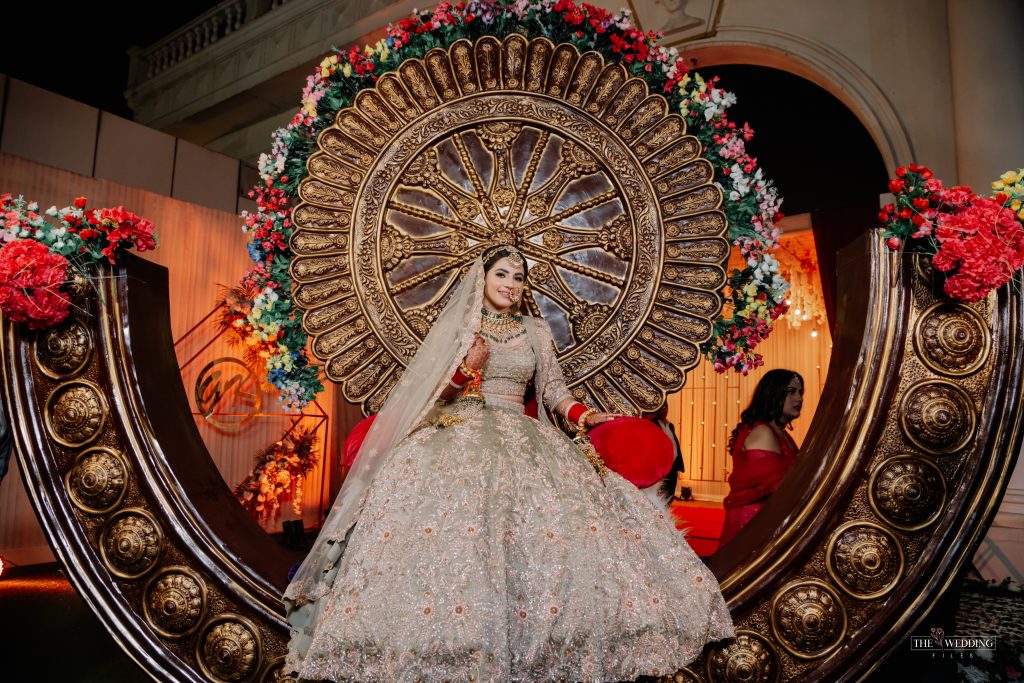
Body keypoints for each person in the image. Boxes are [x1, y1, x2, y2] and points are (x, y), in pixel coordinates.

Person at [284, 245, 733, 682]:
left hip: (525, 435)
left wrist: (586, 415)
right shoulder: (461, 326)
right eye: (502, 274)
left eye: (518, 277)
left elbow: (554, 390)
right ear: (482, 278)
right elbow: (432, 393)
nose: (511, 284)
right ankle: (447, 644)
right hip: (459, 430)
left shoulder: (536, 330)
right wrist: (467, 369)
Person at [719, 369, 803, 548]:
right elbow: (778, 486)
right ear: (772, 395)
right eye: (791, 392)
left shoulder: (778, 432)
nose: (799, 399)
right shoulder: (763, 432)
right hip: (755, 524)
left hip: (765, 521)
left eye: (800, 392)